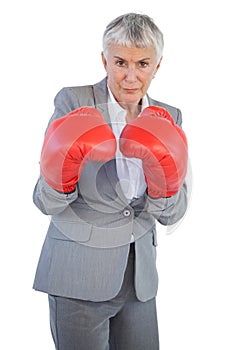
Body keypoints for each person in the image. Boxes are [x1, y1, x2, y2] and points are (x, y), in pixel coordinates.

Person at [33, 12, 188, 350]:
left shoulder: (169, 115)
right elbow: (44, 201)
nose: (131, 76)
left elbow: (173, 214)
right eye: (120, 62)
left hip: (139, 284)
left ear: (157, 65)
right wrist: (63, 171)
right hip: (77, 278)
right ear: (105, 60)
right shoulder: (74, 101)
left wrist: (166, 186)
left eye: (143, 64)